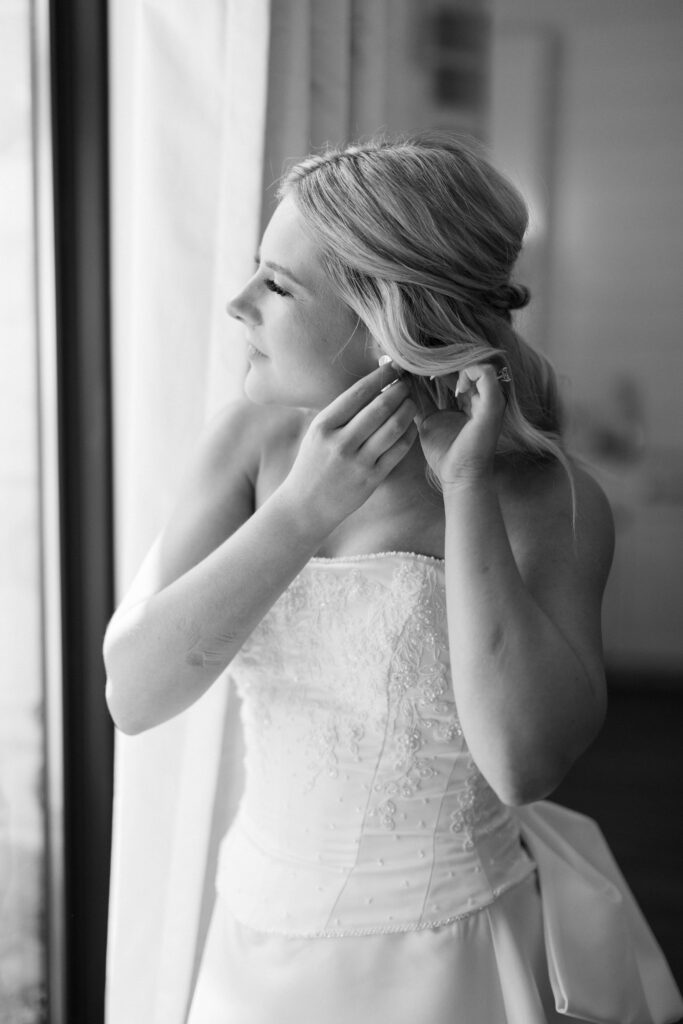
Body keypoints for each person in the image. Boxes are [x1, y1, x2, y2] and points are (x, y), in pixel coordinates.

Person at [104, 133, 683, 1024]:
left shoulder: (549, 500)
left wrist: (466, 490)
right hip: (254, 935)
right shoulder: (247, 447)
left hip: (439, 953)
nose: (237, 304)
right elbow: (134, 696)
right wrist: (299, 512)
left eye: (278, 284)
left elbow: (522, 763)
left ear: (387, 318)